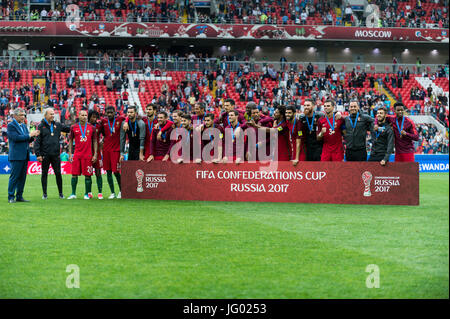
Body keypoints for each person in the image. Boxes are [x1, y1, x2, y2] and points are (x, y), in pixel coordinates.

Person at [34, 107, 70, 199]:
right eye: (51, 114)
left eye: (53, 114)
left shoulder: (57, 125)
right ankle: (44, 194)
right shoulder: (40, 126)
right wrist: (38, 154)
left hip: (56, 155)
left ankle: (61, 193)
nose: (53, 115)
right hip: (45, 155)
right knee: (44, 174)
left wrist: (78, 126)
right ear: (45, 115)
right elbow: (37, 141)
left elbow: (68, 129)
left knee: (58, 173)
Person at [7, 108, 40, 203]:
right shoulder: (11, 125)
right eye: (21, 115)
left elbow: (26, 139)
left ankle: (19, 196)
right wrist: (30, 135)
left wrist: (33, 136)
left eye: (24, 115)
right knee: (14, 177)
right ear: (15, 116)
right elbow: (16, 138)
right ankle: (11, 197)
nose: (23, 117)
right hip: (16, 156)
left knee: (22, 177)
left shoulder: (24, 126)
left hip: (25, 155)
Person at [67, 110, 98, 200]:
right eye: (82, 115)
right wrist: (70, 154)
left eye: (85, 115)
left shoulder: (91, 128)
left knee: (88, 175)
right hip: (77, 154)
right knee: (74, 174)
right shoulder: (73, 127)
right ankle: (73, 193)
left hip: (88, 155)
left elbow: (95, 141)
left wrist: (95, 154)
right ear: (79, 116)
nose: (84, 117)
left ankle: (86, 194)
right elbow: (70, 141)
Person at [100, 106, 125, 199]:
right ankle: (112, 192)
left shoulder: (120, 119)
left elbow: (127, 118)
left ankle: (122, 191)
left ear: (115, 112)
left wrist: (126, 122)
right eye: (108, 112)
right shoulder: (103, 122)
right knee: (108, 171)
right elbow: (101, 132)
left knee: (116, 172)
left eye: (111, 112)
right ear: (105, 113)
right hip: (106, 150)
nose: (109, 114)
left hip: (116, 150)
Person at [88, 110, 104, 199]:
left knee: (98, 172)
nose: (94, 119)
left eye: (96, 117)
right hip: (88, 152)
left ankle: (100, 192)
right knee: (89, 173)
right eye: (93, 117)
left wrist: (102, 141)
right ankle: (89, 192)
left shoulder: (99, 126)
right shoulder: (86, 126)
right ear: (89, 117)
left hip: (97, 152)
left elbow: (106, 134)